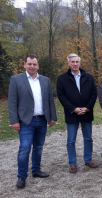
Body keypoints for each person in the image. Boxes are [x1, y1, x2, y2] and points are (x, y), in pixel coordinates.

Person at [8, 55, 57, 188]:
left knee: (38, 148)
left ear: (38, 66)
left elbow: (50, 101)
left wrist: (53, 117)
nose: (32, 66)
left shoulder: (45, 80)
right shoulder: (16, 79)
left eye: (34, 64)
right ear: (24, 64)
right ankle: (22, 176)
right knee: (24, 149)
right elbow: (12, 103)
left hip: (41, 120)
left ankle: (36, 170)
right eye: (29, 64)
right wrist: (14, 121)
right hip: (25, 121)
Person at [56, 53, 98, 173]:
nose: (75, 64)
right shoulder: (62, 78)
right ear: (68, 63)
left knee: (88, 138)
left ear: (80, 62)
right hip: (71, 113)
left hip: (86, 113)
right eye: (72, 62)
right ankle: (72, 163)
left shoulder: (88, 77)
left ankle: (88, 159)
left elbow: (94, 94)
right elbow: (61, 96)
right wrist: (73, 109)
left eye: (77, 62)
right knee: (71, 140)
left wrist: (87, 108)